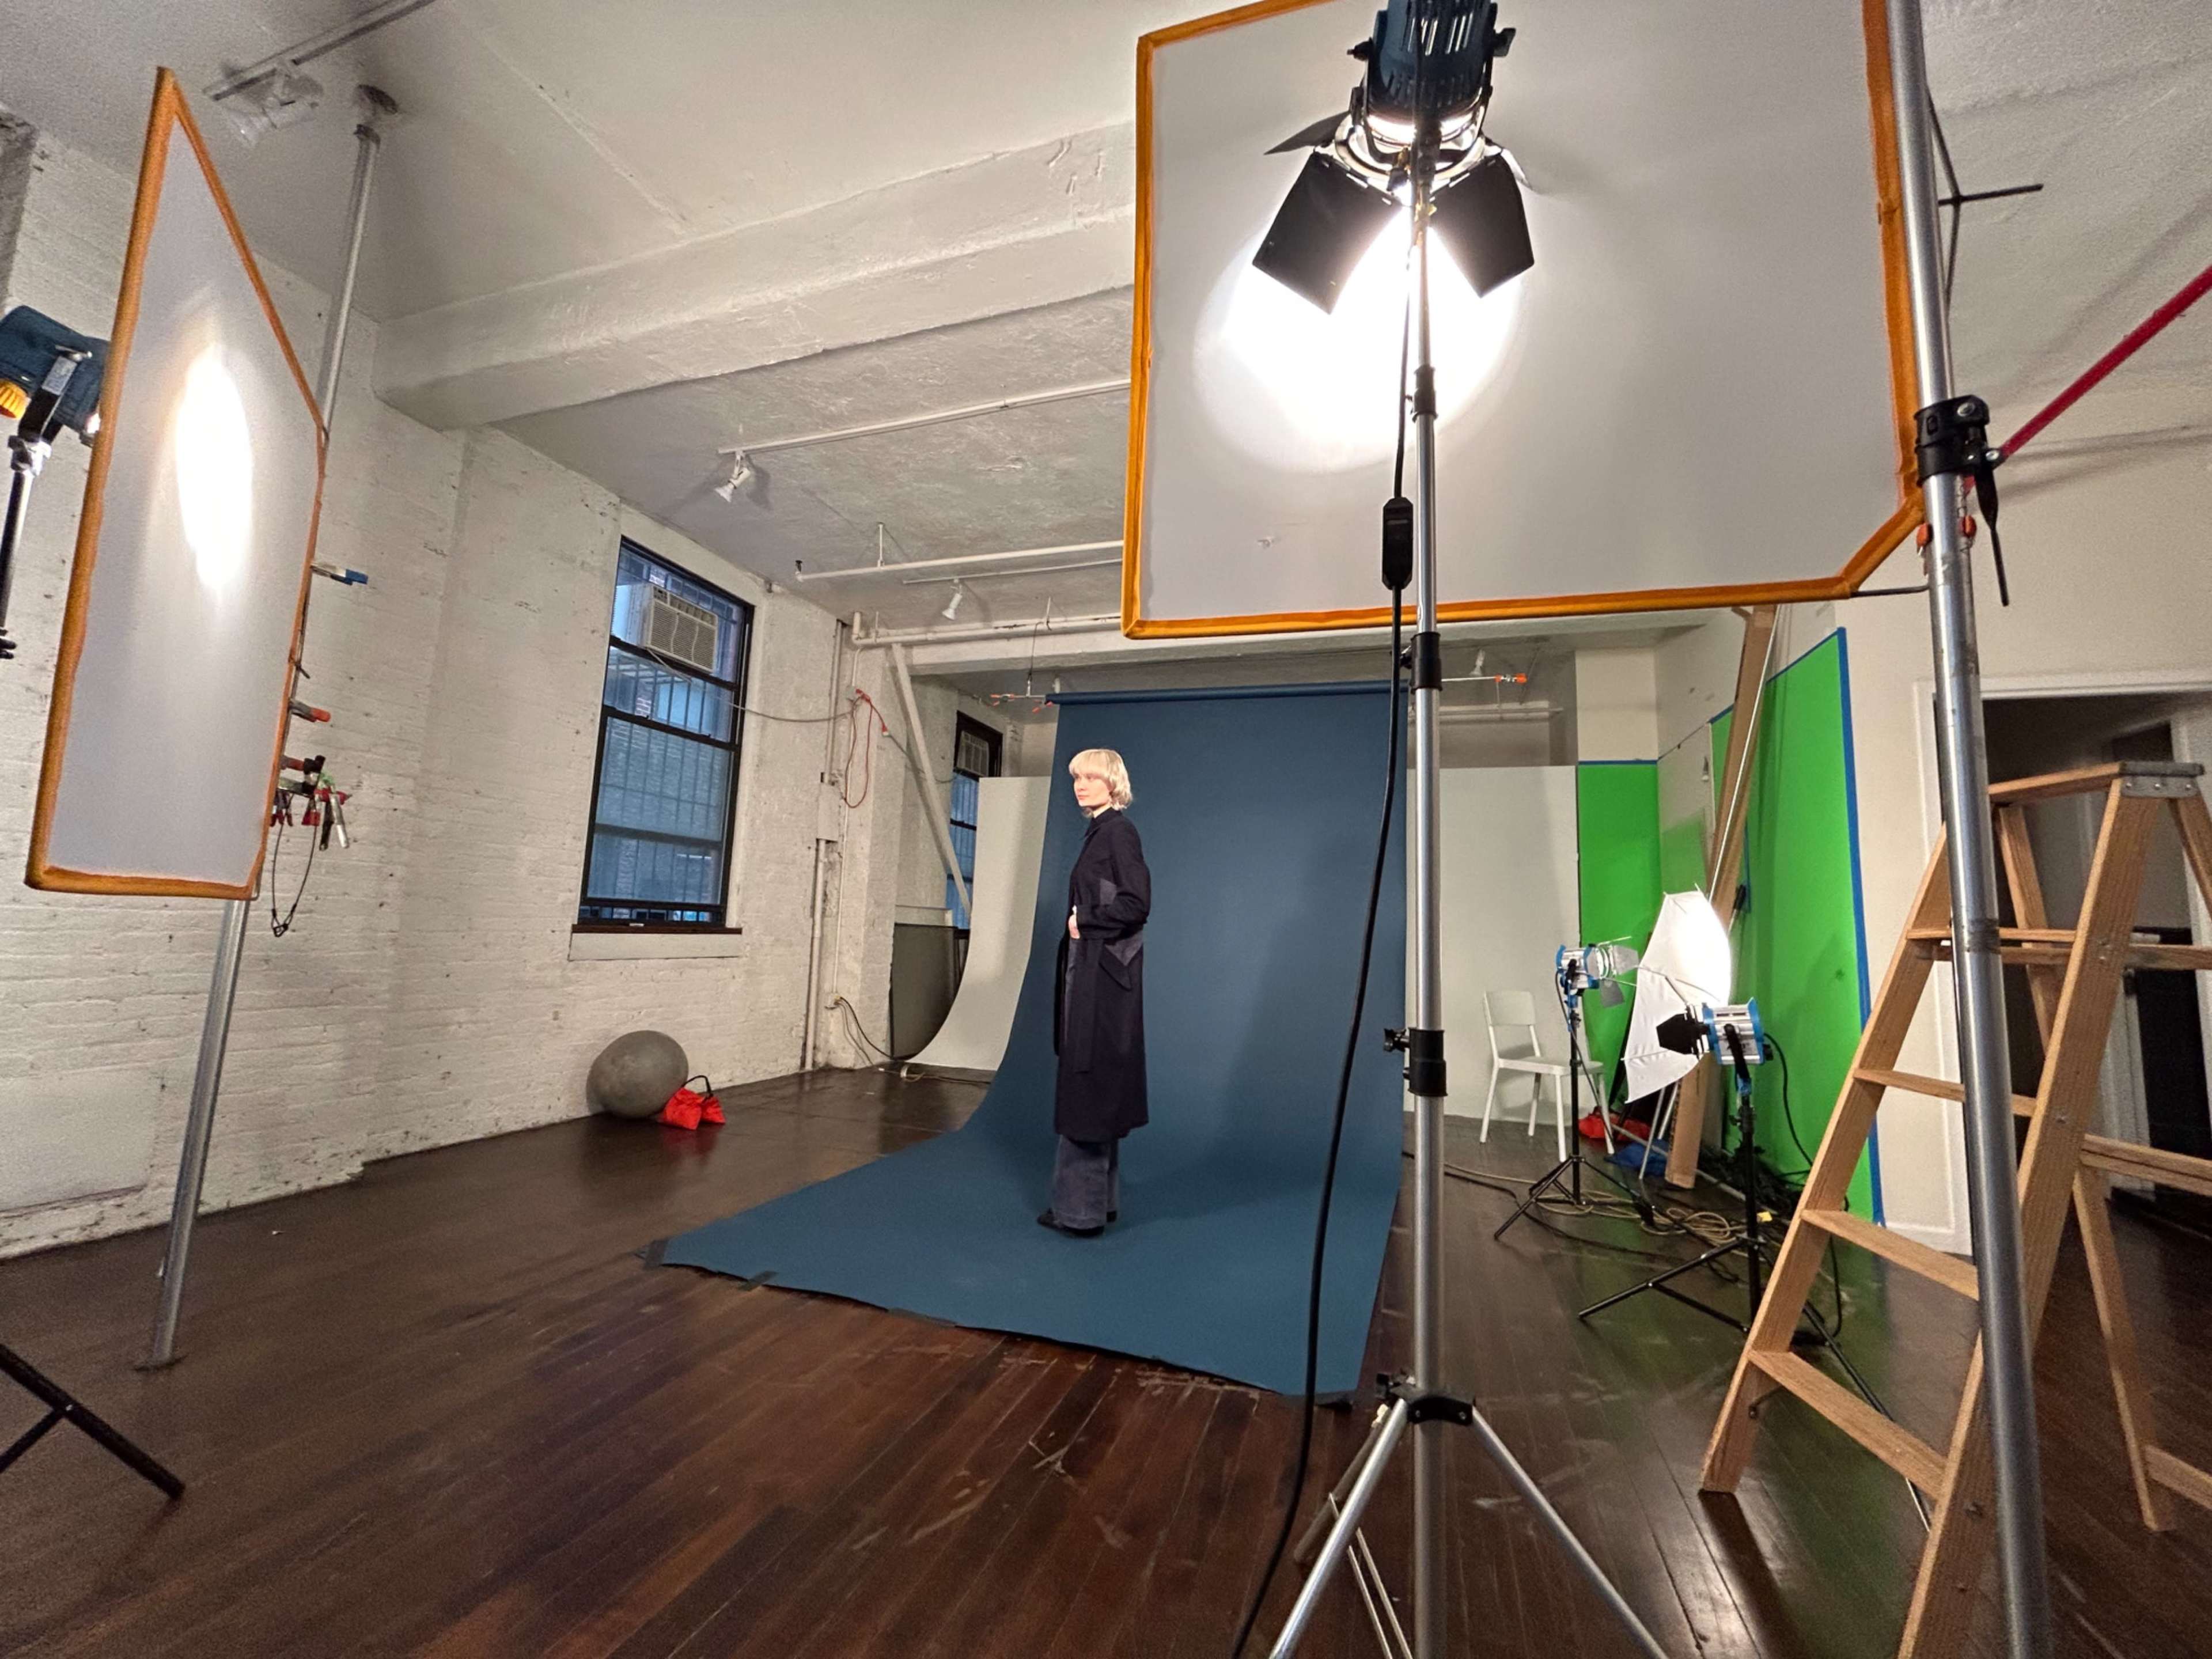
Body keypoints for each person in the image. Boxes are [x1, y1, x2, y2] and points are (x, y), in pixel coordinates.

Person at [1041, 747, 1150, 1237]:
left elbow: (1136, 903)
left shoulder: (1118, 833)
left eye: (1091, 777)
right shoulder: (1102, 832)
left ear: (1113, 783)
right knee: (1095, 1082)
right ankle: (1096, 1205)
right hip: (1095, 974)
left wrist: (1083, 920)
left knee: (1089, 1082)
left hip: (1100, 980)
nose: (1081, 785)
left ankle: (1078, 1213)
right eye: (1077, 778)